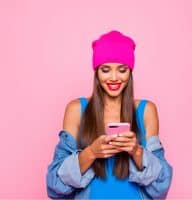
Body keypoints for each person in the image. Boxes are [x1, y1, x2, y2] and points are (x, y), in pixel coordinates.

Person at [46, 30, 173, 199]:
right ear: (97, 72)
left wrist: (135, 151)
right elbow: (54, 185)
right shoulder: (77, 109)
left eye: (122, 70)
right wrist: (91, 152)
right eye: (105, 70)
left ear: (130, 72)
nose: (114, 78)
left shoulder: (146, 111)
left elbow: (161, 185)